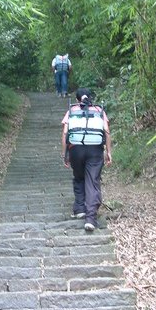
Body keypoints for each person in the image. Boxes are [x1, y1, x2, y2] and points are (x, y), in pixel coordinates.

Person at [61, 88, 112, 232]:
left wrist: (64, 154)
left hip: (75, 149)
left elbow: (65, 132)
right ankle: (90, 218)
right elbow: (106, 132)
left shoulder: (71, 111)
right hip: (95, 149)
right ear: (91, 98)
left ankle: (79, 209)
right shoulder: (99, 111)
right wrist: (108, 152)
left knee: (79, 177)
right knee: (93, 180)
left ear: (77, 100)